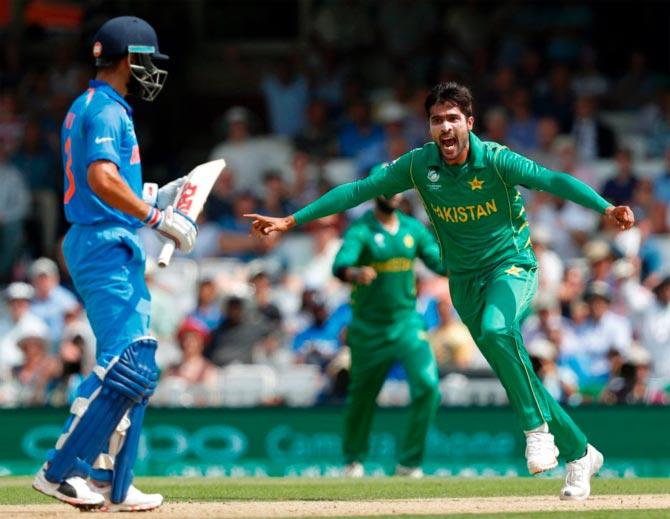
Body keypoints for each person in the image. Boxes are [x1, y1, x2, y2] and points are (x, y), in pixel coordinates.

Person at [246, 82, 635, 500]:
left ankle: (537, 431)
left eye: (453, 118)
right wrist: (293, 219)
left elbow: (554, 180)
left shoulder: (497, 160)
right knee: (513, 367)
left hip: (512, 267)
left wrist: (605, 207)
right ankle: (580, 454)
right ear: (430, 128)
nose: (445, 127)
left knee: (497, 329)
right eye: (437, 120)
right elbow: (357, 191)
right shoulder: (419, 166)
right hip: (464, 281)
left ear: (469, 123)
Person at [31, 16, 197, 512]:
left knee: (137, 364)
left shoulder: (92, 106)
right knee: (127, 363)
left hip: (106, 235)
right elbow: (101, 178)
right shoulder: (106, 110)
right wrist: (155, 216)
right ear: (128, 59)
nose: (151, 71)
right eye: (146, 60)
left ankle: (112, 482)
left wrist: (150, 195)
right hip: (105, 242)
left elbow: (104, 182)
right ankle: (61, 471)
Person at [333, 193, 443, 478]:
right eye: (386, 190)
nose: (393, 196)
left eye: (396, 190)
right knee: (362, 396)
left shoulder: (412, 228)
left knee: (428, 386)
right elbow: (341, 263)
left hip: (406, 322)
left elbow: (437, 261)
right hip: (369, 327)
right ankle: (353, 459)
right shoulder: (361, 230)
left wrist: (465, 256)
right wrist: (354, 273)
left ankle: (410, 462)